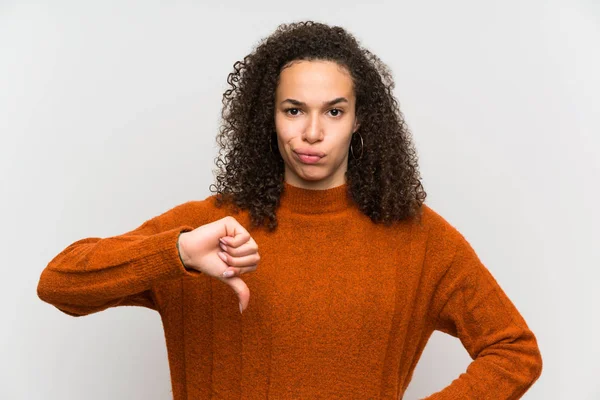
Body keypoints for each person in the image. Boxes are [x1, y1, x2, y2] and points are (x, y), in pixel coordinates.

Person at [37, 21, 542, 399]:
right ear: (270, 115)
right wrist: (177, 253)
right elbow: (59, 283)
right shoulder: (208, 231)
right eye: (294, 109)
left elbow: (514, 350)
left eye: (334, 111)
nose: (313, 133)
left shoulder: (419, 238)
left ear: (360, 119)